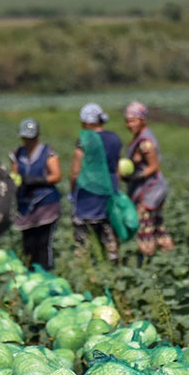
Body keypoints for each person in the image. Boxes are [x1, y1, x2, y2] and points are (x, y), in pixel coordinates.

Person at [69, 103, 122, 264]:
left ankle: (86, 269)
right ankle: (114, 269)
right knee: (109, 234)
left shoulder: (85, 141)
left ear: (86, 122)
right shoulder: (114, 139)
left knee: (83, 239)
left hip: (88, 195)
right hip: (109, 191)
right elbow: (118, 169)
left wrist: (73, 191)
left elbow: (75, 172)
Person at [122, 101, 174, 257]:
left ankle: (147, 256)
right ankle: (168, 254)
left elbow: (153, 166)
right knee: (158, 225)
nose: (129, 124)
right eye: (127, 121)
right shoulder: (140, 138)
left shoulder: (145, 142)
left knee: (144, 225)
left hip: (151, 189)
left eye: (133, 121)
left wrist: (136, 175)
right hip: (152, 188)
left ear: (142, 120)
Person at [10, 118, 62, 270]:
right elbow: (14, 175)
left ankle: (46, 273)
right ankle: (32, 273)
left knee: (43, 243)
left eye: (31, 137)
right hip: (25, 205)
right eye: (25, 137)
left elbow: (56, 176)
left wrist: (37, 180)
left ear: (38, 135)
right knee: (29, 243)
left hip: (46, 203)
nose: (28, 140)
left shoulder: (48, 153)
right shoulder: (17, 154)